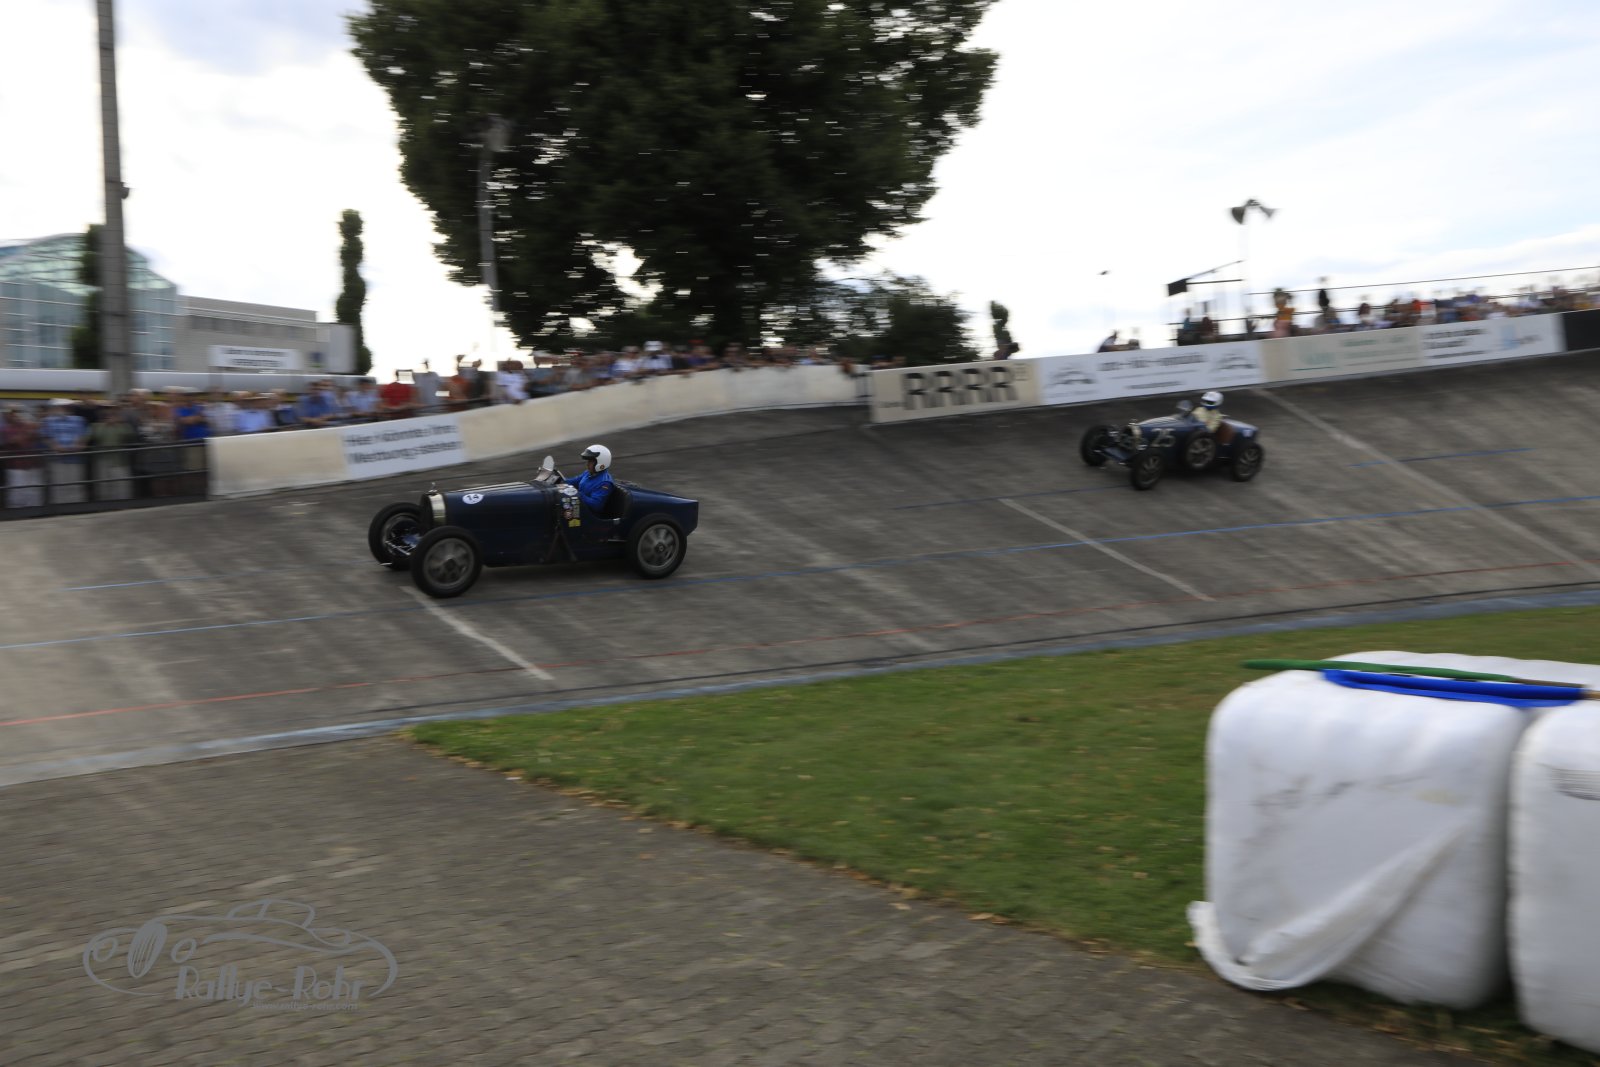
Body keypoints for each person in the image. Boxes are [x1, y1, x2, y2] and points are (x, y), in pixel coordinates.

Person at [565, 443, 615, 515]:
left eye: (591, 461)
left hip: (588, 515)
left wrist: (577, 494)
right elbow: (574, 481)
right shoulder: (588, 473)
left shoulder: (605, 483)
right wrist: (559, 481)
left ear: (601, 463)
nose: (587, 464)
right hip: (579, 507)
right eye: (588, 461)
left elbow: (596, 505)